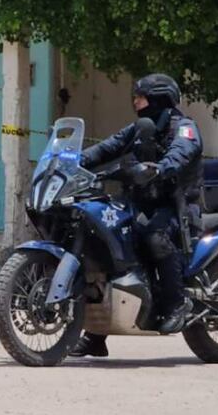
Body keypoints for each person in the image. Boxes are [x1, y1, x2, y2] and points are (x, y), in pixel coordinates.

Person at [71, 73, 202, 358]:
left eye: (140, 97)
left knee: (154, 237)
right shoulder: (139, 129)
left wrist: (161, 167)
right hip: (140, 204)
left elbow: (181, 153)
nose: (135, 102)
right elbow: (108, 147)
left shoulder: (184, 128)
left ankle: (177, 303)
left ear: (158, 99)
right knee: (107, 246)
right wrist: (75, 160)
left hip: (176, 208)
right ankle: (95, 333)